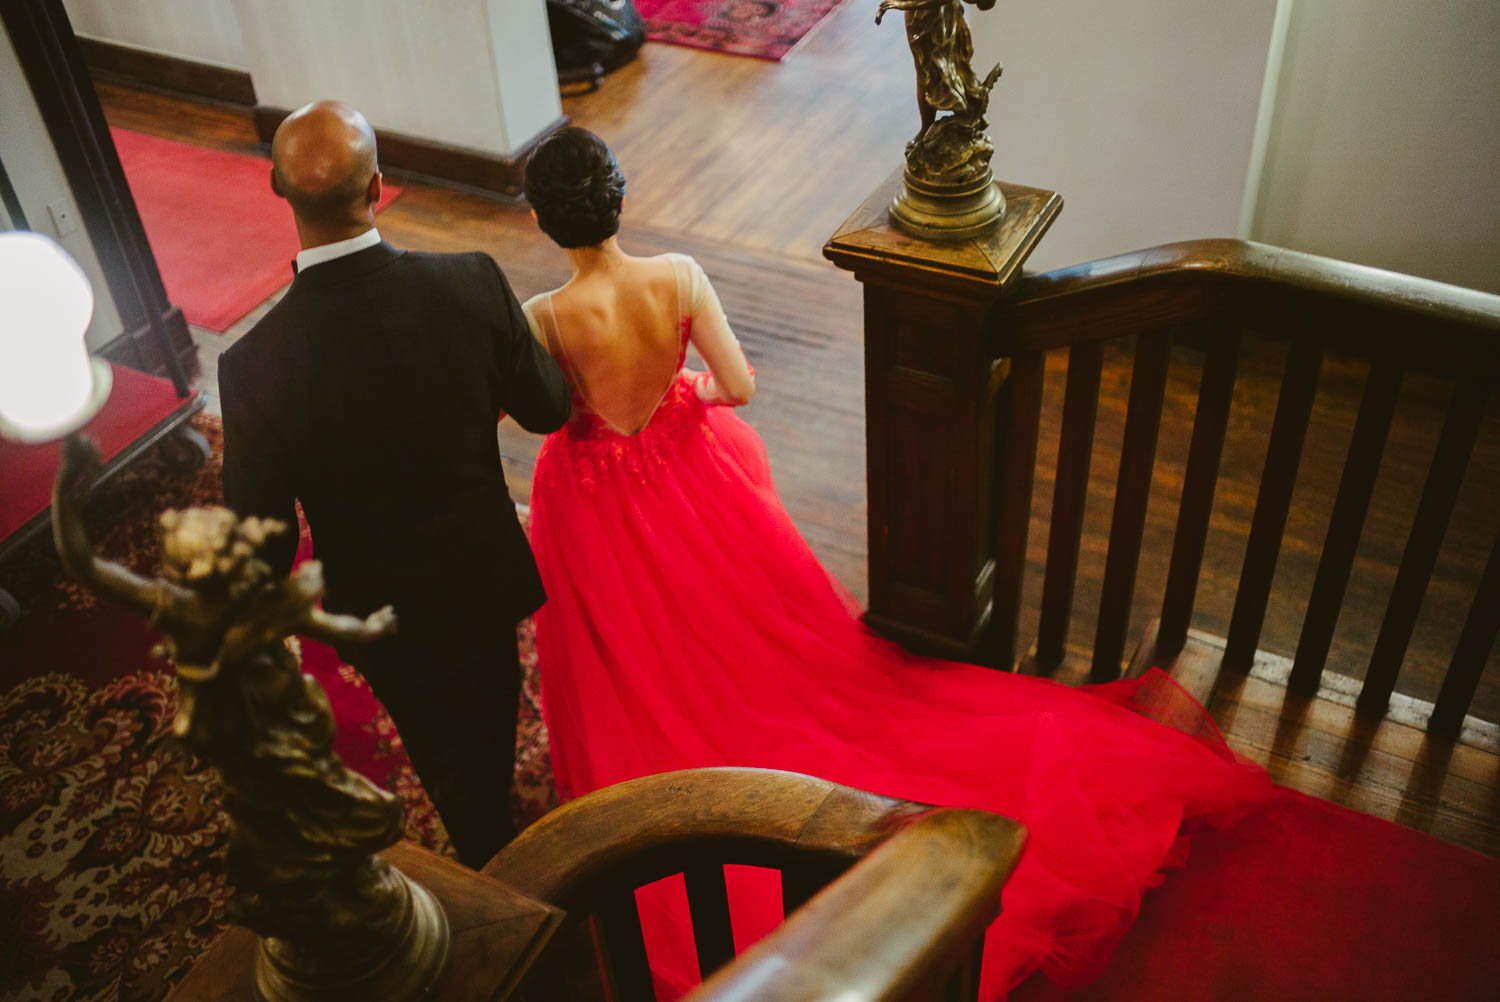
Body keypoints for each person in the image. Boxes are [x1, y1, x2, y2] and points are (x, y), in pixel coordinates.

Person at [519, 127, 1271, 999]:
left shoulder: (545, 315)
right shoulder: (679, 276)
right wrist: (679, 397)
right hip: (694, 479)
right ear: (617, 196)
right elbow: (739, 387)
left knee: (638, 645)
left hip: (601, 508)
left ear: (543, 218)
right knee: (747, 627)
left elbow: (540, 418)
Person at [219, 101, 570, 868]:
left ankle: (486, 857)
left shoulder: (251, 367)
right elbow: (549, 408)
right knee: (492, 708)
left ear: (278, 190)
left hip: (379, 608)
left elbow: (262, 541)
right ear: (379, 186)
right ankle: (498, 833)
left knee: (445, 754)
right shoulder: (472, 284)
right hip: (484, 570)